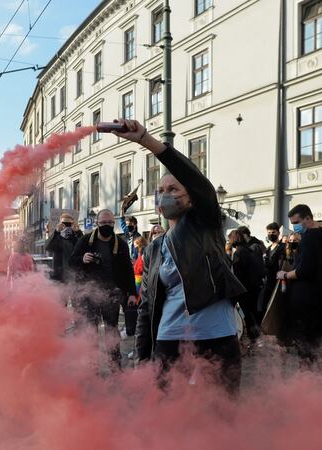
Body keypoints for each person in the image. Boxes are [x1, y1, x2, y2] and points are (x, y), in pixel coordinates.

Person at [121, 119, 245, 394]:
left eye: (174, 189)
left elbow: (198, 182)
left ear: (191, 198)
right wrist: (143, 357)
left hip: (216, 336)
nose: (165, 195)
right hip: (170, 339)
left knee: (220, 415)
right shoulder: (154, 247)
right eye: (161, 191)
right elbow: (147, 306)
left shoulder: (206, 225)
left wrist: (147, 141)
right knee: (169, 417)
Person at [70, 209, 137, 368]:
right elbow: (71, 262)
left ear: (114, 224)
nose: (106, 225)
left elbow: (128, 269)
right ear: (97, 224)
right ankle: (91, 365)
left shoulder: (119, 243)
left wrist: (132, 293)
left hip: (112, 295)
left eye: (109, 223)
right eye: (103, 223)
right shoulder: (86, 241)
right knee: (91, 331)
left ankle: (114, 364)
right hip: (89, 295)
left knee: (112, 332)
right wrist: (83, 259)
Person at [275, 204, 322, 364]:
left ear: (308, 218)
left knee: (304, 344)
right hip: (320, 296)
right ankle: (314, 375)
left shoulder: (309, 238)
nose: (295, 226)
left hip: (305, 299)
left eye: (297, 221)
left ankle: (306, 377)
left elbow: (303, 271)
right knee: (315, 342)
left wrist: (285, 274)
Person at [227, 229, 264, 343]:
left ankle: (254, 338)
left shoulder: (239, 252)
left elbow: (238, 274)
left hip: (244, 289)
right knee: (251, 313)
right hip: (253, 288)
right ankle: (257, 337)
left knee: (248, 315)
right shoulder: (249, 250)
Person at [258, 222, 285, 322]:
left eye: (273, 232)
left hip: (277, 281)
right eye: (269, 233)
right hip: (268, 280)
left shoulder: (282, 247)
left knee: (276, 304)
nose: (271, 234)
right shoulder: (268, 248)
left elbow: (281, 266)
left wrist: (271, 264)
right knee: (265, 304)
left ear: (278, 233)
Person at [45, 213, 81, 282]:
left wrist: (78, 232)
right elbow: (48, 247)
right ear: (60, 224)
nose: (66, 226)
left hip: (74, 278)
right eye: (64, 223)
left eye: (69, 224)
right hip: (60, 278)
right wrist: (56, 232)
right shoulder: (57, 237)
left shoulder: (76, 236)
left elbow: (84, 248)